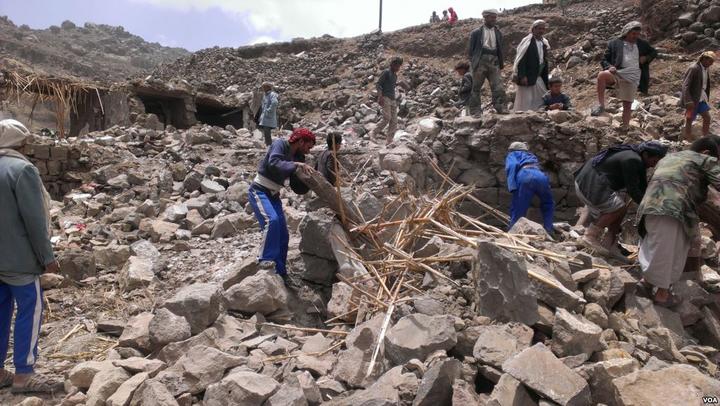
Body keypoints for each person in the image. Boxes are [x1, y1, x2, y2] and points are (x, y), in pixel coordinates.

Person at [0, 119, 63, 394]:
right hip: (19, 261)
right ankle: (23, 376)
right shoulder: (22, 169)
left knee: (1, 313)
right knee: (30, 311)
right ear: (20, 142)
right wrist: (47, 257)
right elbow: (35, 222)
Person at [637, 137, 720, 306]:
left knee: (656, 246)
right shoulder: (705, 159)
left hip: (649, 205)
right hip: (674, 207)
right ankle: (662, 294)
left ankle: (646, 283)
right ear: (706, 152)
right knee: (670, 251)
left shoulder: (669, 158)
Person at [574, 141, 668, 259]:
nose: (653, 165)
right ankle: (590, 236)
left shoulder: (636, 158)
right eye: (654, 161)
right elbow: (633, 190)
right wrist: (647, 209)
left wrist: (652, 203)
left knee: (621, 208)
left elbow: (643, 186)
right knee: (619, 207)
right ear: (645, 154)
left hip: (588, 182)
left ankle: (610, 243)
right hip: (589, 183)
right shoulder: (632, 160)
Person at [248, 128, 316, 281]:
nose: (308, 150)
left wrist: (308, 180)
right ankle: (264, 260)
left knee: (283, 235)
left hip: (274, 194)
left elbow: (296, 185)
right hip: (259, 191)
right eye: (308, 146)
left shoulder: (298, 156)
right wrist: (296, 164)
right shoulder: (280, 144)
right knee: (271, 221)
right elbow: (274, 162)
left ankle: (280, 271)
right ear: (300, 141)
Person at [591, 21, 658, 129]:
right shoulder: (614, 43)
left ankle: (625, 127)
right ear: (627, 32)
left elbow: (654, 52)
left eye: (637, 34)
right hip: (618, 72)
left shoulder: (641, 44)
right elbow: (604, 60)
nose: (635, 36)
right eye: (633, 34)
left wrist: (646, 58)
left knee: (627, 104)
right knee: (601, 75)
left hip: (633, 75)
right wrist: (609, 67)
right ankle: (601, 105)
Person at [505, 142, 555, 234]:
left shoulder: (513, 154)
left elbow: (512, 165)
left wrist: (512, 186)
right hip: (540, 175)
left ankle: (513, 232)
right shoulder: (530, 155)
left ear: (511, 149)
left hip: (525, 175)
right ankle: (549, 229)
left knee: (519, 206)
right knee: (548, 203)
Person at [468, 9, 508, 114]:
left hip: (494, 60)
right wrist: (474, 62)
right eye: (492, 17)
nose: (494, 19)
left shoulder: (498, 32)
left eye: (495, 17)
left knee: (498, 86)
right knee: (476, 87)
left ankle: (501, 107)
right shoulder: (476, 33)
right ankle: (475, 110)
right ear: (485, 17)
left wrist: (500, 62)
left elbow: (500, 48)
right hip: (480, 61)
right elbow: (471, 51)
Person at [513, 20, 550, 112]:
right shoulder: (527, 42)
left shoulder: (544, 42)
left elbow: (543, 59)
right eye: (539, 29)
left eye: (543, 29)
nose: (541, 31)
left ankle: (537, 114)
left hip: (538, 75)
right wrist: (522, 76)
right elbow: (521, 59)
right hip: (527, 75)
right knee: (526, 99)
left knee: (542, 95)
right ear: (533, 29)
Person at [682, 51, 715, 140]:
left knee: (707, 117)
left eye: (712, 62)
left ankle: (705, 138)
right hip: (692, 100)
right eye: (710, 61)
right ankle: (687, 140)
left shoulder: (705, 69)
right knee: (689, 119)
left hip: (701, 98)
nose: (711, 64)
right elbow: (686, 85)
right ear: (704, 59)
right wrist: (688, 100)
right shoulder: (694, 68)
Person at [373, 57, 403, 144]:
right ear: (392, 64)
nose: (398, 68)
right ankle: (373, 133)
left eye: (399, 66)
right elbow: (378, 84)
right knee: (387, 118)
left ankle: (389, 140)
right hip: (385, 97)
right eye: (397, 66)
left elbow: (391, 86)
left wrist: (398, 84)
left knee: (394, 121)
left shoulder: (395, 76)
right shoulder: (386, 72)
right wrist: (380, 96)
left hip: (393, 99)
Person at [257, 82, 279, 146]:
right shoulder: (265, 95)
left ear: (268, 87)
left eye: (264, 87)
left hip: (268, 116)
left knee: (267, 132)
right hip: (265, 117)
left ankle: (269, 145)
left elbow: (274, 103)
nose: (263, 88)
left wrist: (269, 110)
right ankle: (268, 145)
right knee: (266, 132)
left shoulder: (272, 94)